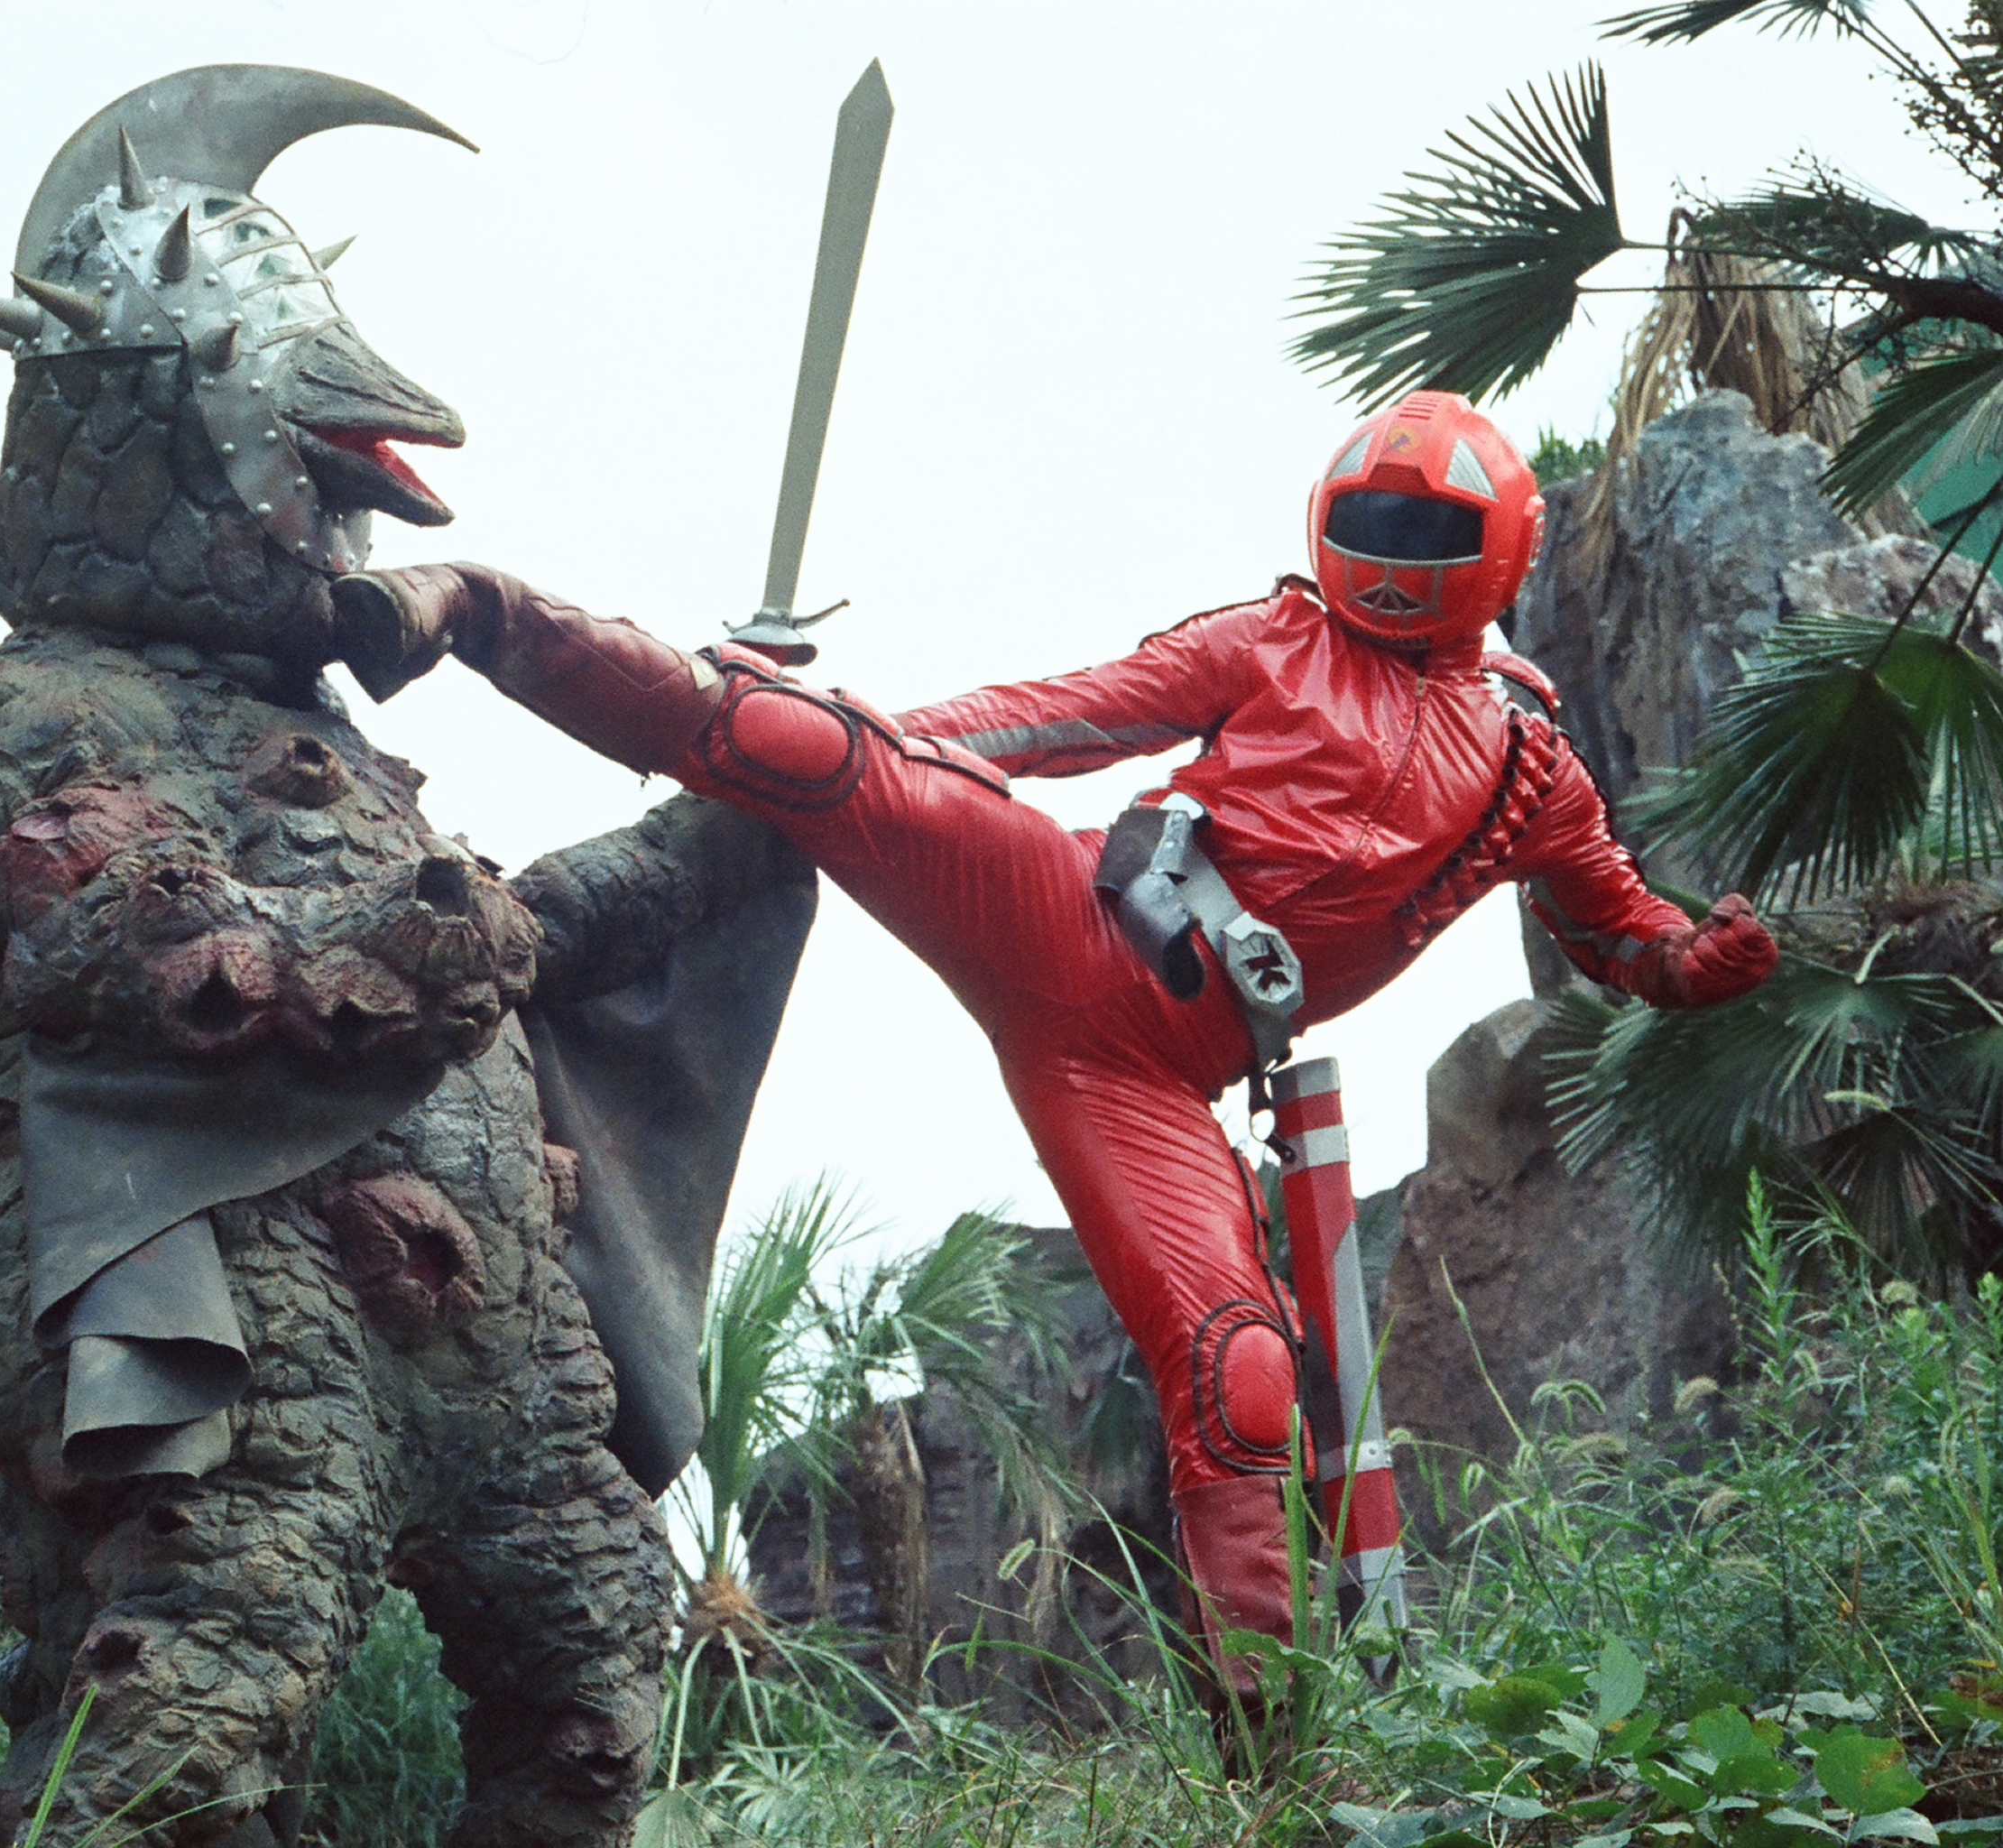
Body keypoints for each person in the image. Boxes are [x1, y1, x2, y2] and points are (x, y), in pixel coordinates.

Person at [328, 390, 1777, 1703]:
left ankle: (1268, 1750)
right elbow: (1062, 717)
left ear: (1496, 547)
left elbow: (1618, 926)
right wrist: (864, 738)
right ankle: (474, 607)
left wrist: (1699, 964)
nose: (1391, 561)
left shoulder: (1532, 765)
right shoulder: (1274, 638)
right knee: (813, 752)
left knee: (1240, 1375)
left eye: (1426, 533)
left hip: (1147, 1080)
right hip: (1059, 917)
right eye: (1371, 524)